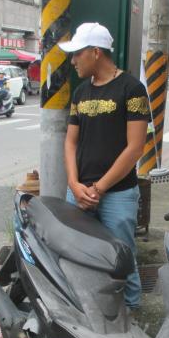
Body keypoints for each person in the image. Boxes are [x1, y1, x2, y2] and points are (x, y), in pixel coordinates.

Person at [59, 22, 150, 310]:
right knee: (77, 254)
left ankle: (131, 311)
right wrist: (74, 184)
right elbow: (70, 143)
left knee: (121, 256)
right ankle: (89, 310)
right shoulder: (80, 93)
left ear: (95, 52)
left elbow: (135, 147)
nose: (73, 61)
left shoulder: (132, 89)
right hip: (79, 192)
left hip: (117, 194)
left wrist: (99, 188)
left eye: (77, 54)